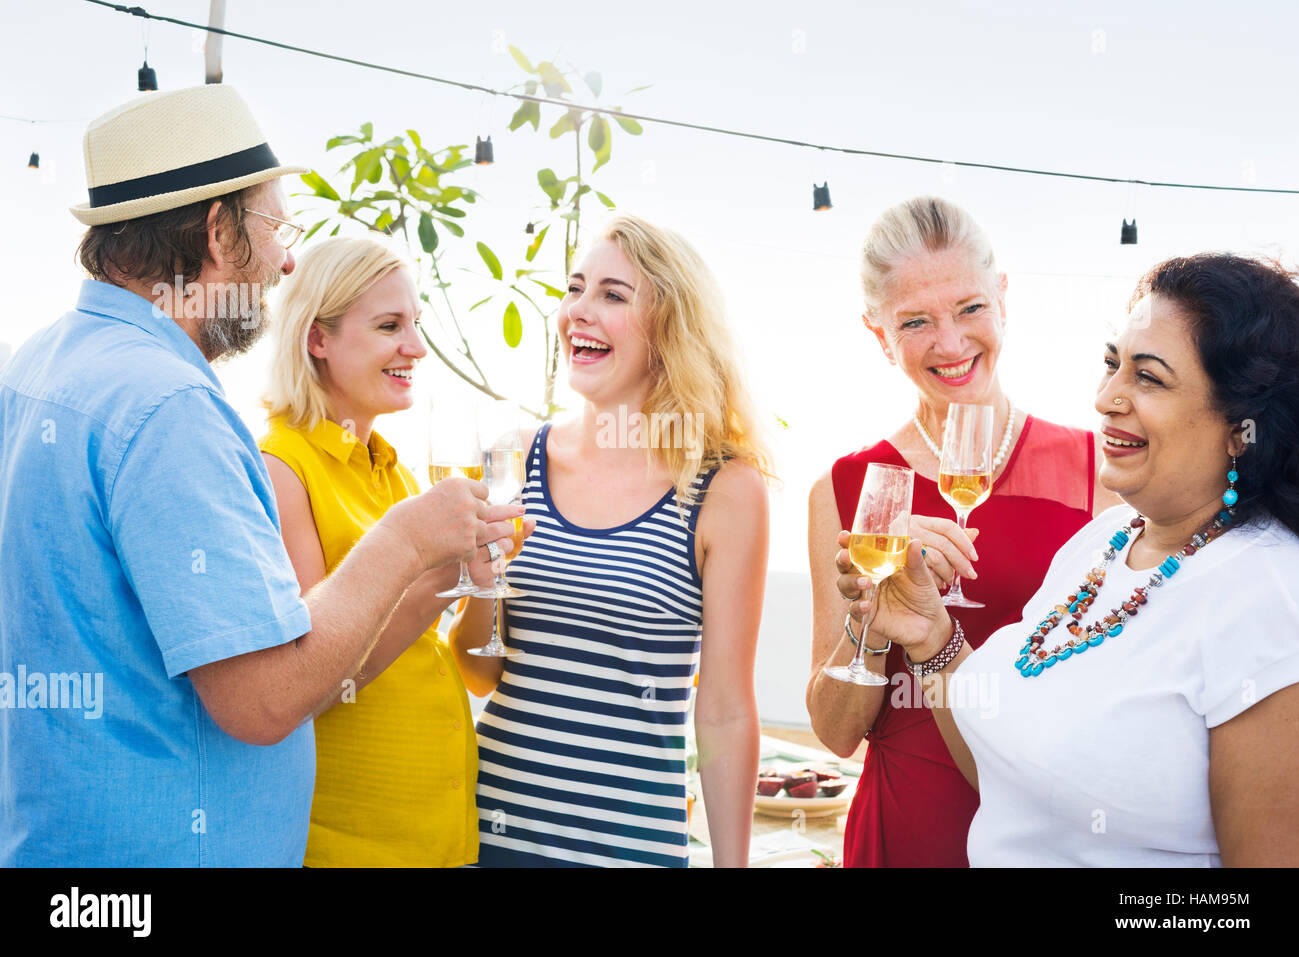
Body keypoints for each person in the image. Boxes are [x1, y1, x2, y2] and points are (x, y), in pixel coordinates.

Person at [0, 85, 519, 866]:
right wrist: (408, 538)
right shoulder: (170, 406)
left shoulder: (39, 362)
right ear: (217, 231)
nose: (285, 261)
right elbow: (265, 698)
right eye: (276, 226)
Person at [843, 252, 1299, 866]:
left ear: (1241, 427)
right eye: (1113, 365)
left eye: (1149, 378)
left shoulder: (1268, 597)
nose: (1108, 398)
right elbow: (1009, 778)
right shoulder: (1103, 541)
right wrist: (929, 633)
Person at [806, 196, 1123, 867]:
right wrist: (869, 617)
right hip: (901, 833)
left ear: (1003, 298)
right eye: (915, 320)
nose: (950, 344)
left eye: (970, 308)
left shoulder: (1096, 474)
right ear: (879, 336)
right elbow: (836, 733)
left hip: (1046, 839)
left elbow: (1110, 701)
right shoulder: (848, 488)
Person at [450, 214, 772, 867]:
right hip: (489, 836)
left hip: (634, 848)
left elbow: (726, 709)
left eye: (612, 295)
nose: (578, 312)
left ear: (669, 330)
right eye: (575, 289)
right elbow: (477, 669)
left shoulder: (724, 490)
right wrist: (480, 587)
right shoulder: (514, 457)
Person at [260, 236, 531, 867]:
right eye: (389, 326)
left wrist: (482, 580)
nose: (415, 347)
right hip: (350, 843)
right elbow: (310, 680)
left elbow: (462, 663)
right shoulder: (283, 469)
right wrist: (437, 569)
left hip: (443, 835)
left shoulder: (398, 475)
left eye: (416, 324)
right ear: (316, 338)